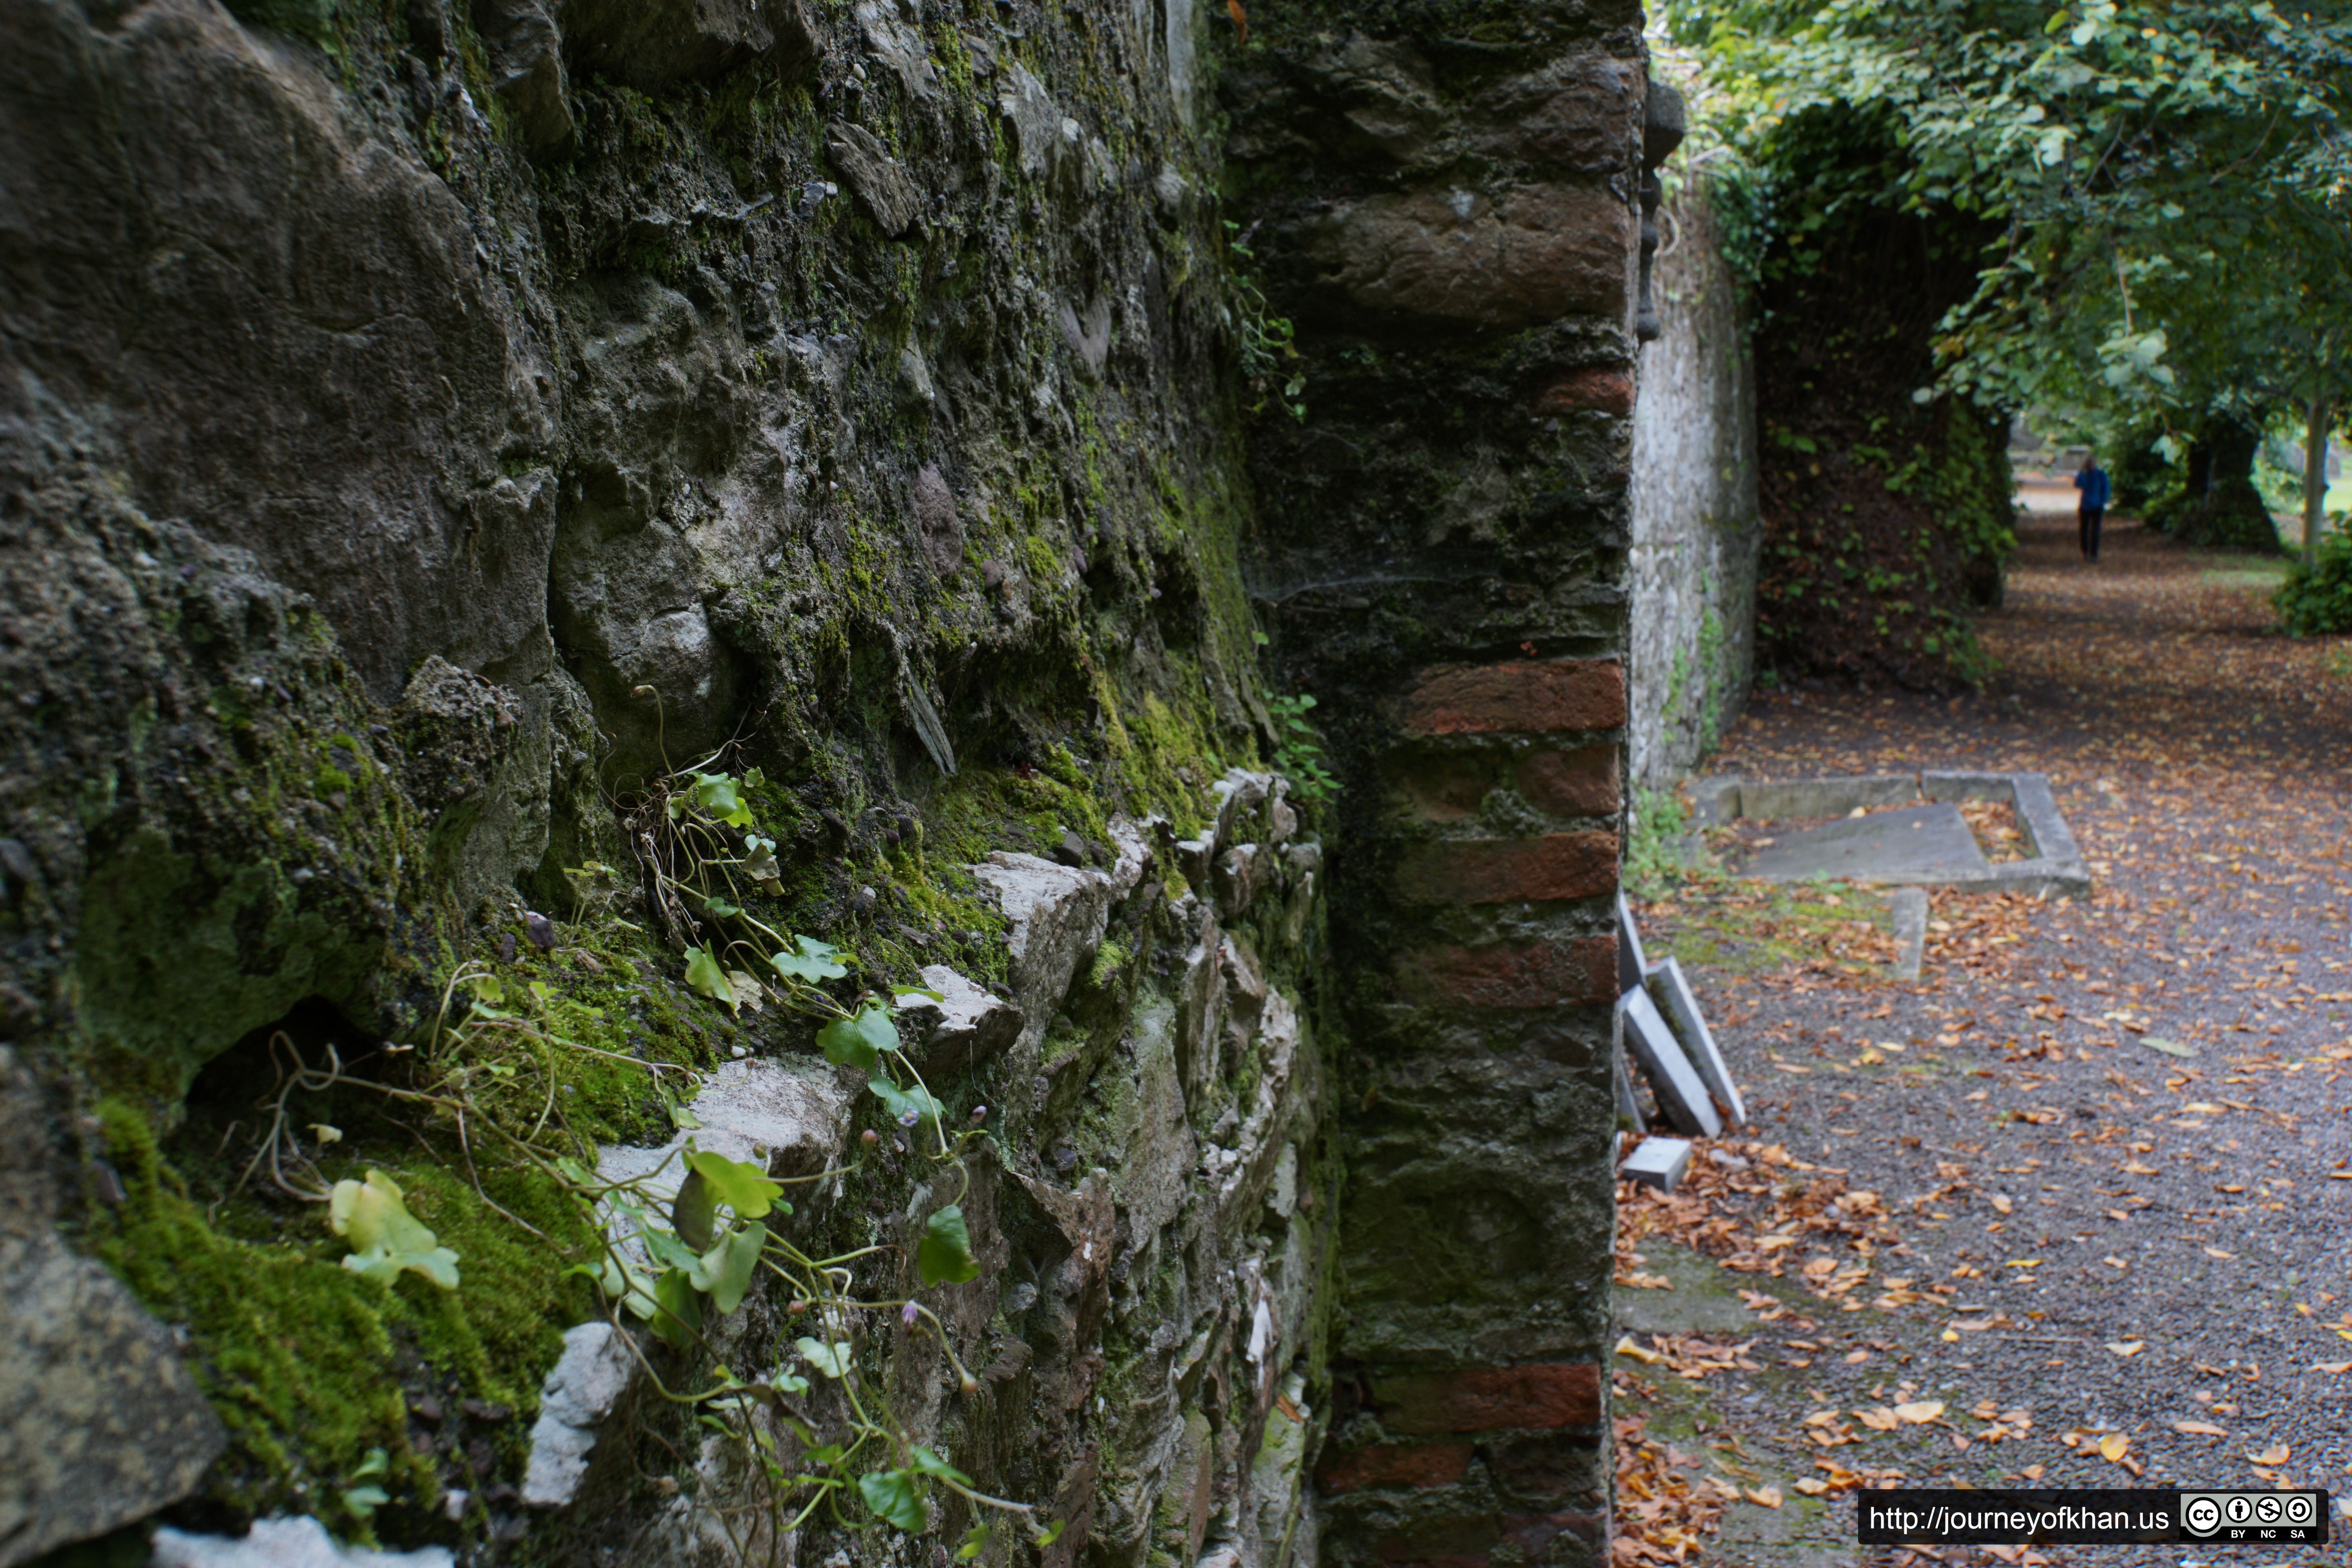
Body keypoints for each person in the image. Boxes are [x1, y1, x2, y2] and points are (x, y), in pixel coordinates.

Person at [2073, 452, 2110, 561]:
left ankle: (2094, 553)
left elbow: (2106, 488)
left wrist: (2103, 502)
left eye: (2092, 463)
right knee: (2083, 530)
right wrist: (2082, 472)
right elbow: (2078, 484)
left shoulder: (2100, 474)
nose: (2090, 465)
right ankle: (2085, 552)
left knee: (2095, 530)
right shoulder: (2085, 474)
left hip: (2097, 506)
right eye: (2088, 463)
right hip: (2085, 506)